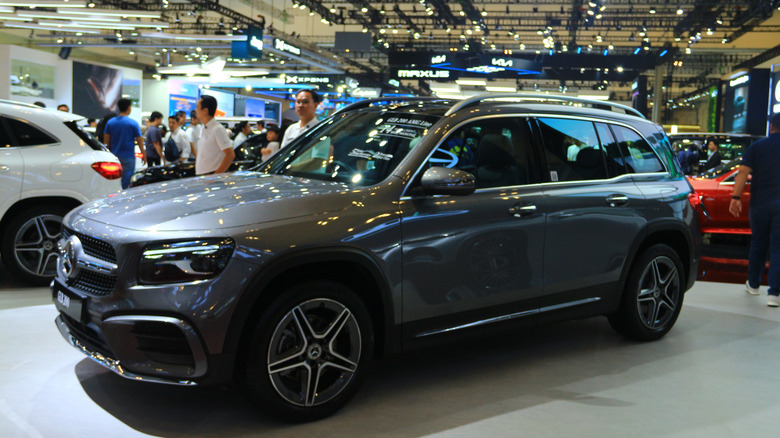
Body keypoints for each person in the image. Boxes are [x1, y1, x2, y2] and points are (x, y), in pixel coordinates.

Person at [729, 113, 780, 307]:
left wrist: (735, 197)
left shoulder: (757, 147)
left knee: (759, 243)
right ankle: (774, 294)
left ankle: (754, 284)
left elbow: (743, 172)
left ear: (771, 127)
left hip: (760, 203)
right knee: (778, 248)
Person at [103, 98, 145, 189]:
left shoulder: (110, 122)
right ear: (129, 108)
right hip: (128, 156)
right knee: (127, 181)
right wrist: (143, 154)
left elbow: (106, 142)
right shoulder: (133, 123)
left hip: (114, 156)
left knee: (114, 180)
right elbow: (139, 140)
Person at [194, 95, 234, 175]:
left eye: (197, 107)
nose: (195, 110)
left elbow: (230, 155)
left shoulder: (217, 129)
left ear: (205, 110)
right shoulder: (203, 128)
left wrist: (215, 176)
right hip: (203, 175)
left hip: (211, 176)